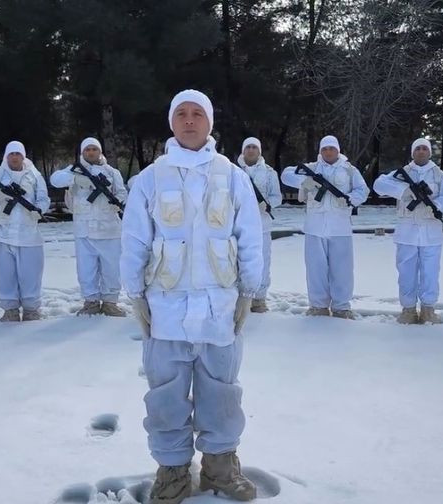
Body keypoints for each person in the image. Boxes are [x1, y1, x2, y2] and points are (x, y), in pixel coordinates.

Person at [121, 89, 262, 503]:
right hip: (165, 308)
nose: (188, 120)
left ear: (209, 122)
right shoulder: (150, 178)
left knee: (221, 390)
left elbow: (250, 237)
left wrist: (247, 291)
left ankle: (220, 468)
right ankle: (172, 473)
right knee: (165, 393)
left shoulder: (233, 176)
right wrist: (136, 295)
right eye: (181, 113)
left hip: (220, 308)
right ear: (171, 122)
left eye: (196, 113)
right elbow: (134, 240)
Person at [280, 135, 369, 319]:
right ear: (321, 151)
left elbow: (363, 190)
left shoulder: (349, 170)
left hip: (340, 226)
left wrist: (350, 199)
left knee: (342, 269)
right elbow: (286, 174)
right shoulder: (312, 168)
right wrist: (305, 182)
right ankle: (318, 306)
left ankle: (341, 307)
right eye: (325, 149)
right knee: (315, 268)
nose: (328, 152)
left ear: (338, 150)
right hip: (315, 226)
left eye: (332, 148)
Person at [373, 138, 443, 324]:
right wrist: (404, 190)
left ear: (429, 152)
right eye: (417, 148)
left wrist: (435, 206)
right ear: (412, 152)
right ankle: (408, 309)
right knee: (406, 272)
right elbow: (378, 185)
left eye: (424, 148)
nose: (421, 151)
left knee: (431, 272)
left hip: (431, 232)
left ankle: (428, 309)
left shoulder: (438, 175)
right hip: (407, 232)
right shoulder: (403, 173)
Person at [0, 141, 50, 322]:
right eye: (11, 154)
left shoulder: (34, 176)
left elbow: (44, 198)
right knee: (4, 273)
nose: (14, 157)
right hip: (2, 232)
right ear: (6, 156)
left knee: (31, 273)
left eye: (18, 154)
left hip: (29, 233)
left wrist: (39, 209)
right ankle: (10, 309)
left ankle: (31, 310)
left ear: (23, 156)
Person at [50, 137, 127, 316]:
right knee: (86, 268)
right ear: (82, 153)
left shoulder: (111, 172)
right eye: (87, 150)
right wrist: (76, 176)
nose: (91, 152)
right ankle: (90, 301)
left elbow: (122, 192)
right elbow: (55, 179)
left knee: (112, 268)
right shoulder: (74, 171)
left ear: (100, 152)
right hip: (84, 229)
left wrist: (119, 202)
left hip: (109, 228)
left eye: (94, 149)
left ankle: (110, 302)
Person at [236, 136, 282, 312]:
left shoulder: (269, 173)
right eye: (248, 147)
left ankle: (259, 299)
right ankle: (239, 298)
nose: (251, 150)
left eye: (254, 147)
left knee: (262, 262)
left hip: (262, 226)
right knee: (237, 262)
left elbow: (277, 196)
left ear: (259, 151)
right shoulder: (233, 171)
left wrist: (267, 205)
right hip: (238, 225)